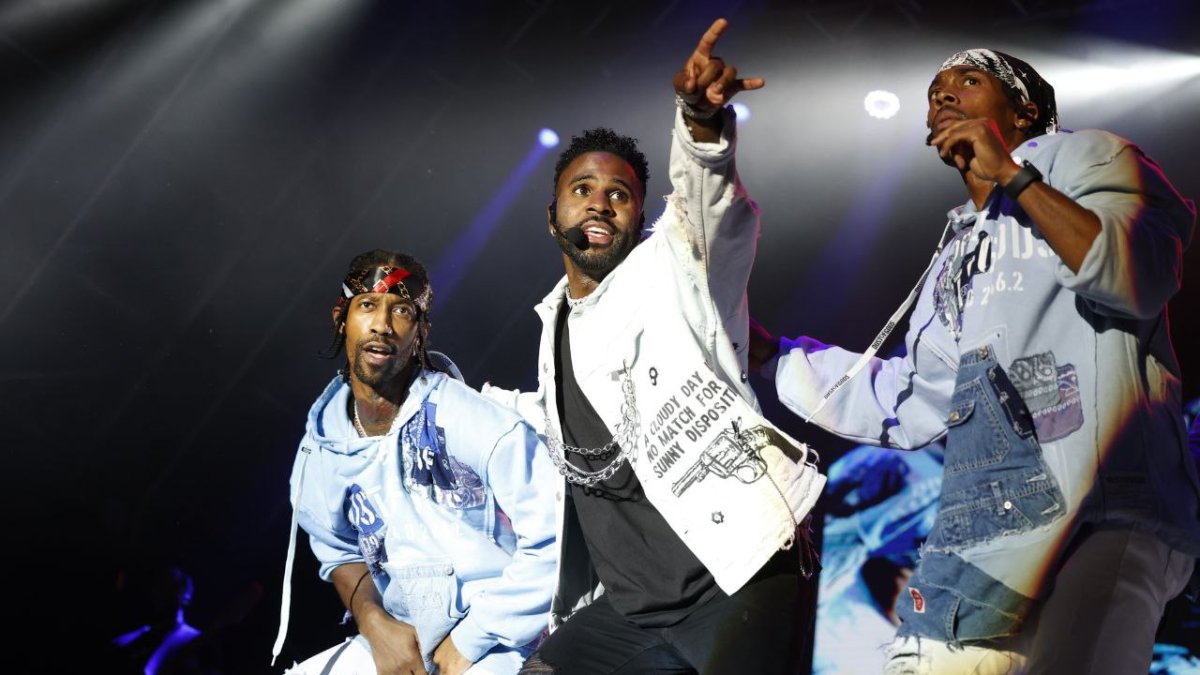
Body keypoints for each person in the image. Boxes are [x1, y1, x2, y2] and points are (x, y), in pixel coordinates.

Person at [753, 49, 1200, 674]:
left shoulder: (1088, 156)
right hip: (987, 532)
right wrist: (771, 356)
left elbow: (1137, 276)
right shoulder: (956, 253)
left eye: (968, 81)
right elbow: (914, 398)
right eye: (934, 90)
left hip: (1103, 510)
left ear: (1025, 111)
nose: (942, 95)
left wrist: (1014, 176)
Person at [483, 19, 824, 675]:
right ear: (552, 217)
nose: (601, 204)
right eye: (582, 190)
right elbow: (561, 424)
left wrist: (700, 123)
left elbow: (708, 203)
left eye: (620, 194)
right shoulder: (556, 322)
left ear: (640, 216)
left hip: (742, 568)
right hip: (633, 610)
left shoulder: (674, 266)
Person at [272, 250, 558, 675]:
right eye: (367, 305)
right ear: (341, 318)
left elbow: (554, 538)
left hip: (495, 639)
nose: (382, 325)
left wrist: (471, 639)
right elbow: (339, 552)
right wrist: (373, 622)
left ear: (421, 332)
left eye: (402, 310)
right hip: (401, 638)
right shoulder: (323, 445)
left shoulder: (473, 420)